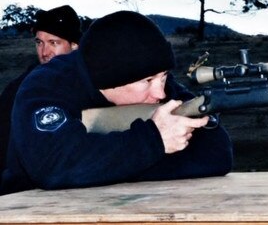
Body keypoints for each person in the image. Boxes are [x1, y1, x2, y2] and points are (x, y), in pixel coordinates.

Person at [0, 11, 233, 195]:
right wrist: (153, 142)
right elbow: (53, 165)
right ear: (109, 80)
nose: (160, 93)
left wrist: (108, 165)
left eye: (163, 77)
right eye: (148, 81)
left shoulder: (153, 75)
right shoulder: (46, 84)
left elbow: (217, 151)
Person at [0, 5, 82, 172]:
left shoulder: (92, 85)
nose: (44, 52)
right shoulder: (18, 89)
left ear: (75, 45)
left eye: (53, 43)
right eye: (39, 43)